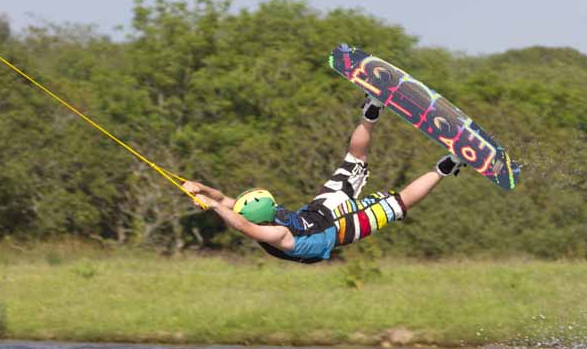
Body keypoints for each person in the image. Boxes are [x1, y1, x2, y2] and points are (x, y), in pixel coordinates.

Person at [182, 97, 463, 263]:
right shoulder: (270, 213)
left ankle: (447, 166)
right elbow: (224, 201)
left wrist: (203, 193)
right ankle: (370, 114)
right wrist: (205, 194)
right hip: (323, 206)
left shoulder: (276, 234)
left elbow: (240, 222)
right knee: (355, 159)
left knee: (398, 203)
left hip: (340, 226)